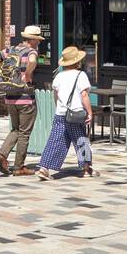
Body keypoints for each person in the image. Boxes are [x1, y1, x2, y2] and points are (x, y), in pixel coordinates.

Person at [0, 25, 44, 177]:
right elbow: (32, 60)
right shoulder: (32, 51)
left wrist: (2, 74)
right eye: (38, 40)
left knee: (15, 129)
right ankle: (19, 167)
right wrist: (28, 74)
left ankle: (2, 155)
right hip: (25, 99)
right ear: (32, 40)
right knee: (24, 133)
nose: (39, 42)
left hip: (10, 98)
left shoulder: (10, 50)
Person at [36, 46, 95, 180]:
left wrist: (59, 107)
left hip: (60, 113)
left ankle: (44, 168)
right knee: (81, 139)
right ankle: (86, 168)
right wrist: (90, 112)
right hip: (75, 113)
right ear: (78, 62)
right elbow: (84, 95)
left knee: (55, 140)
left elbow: (56, 95)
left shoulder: (59, 76)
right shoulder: (81, 75)